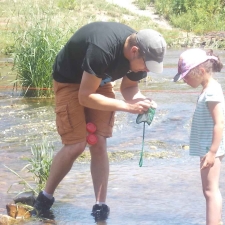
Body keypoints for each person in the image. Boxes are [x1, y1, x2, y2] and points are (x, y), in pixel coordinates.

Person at [31, 21, 166, 222]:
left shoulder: (139, 57)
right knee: (76, 144)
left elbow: (129, 89)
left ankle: (100, 207)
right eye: (147, 65)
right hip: (69, 80)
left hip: (99, 80)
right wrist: (128, 107)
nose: (146, 70)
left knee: (98, 140)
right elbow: (84, 96)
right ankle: (44, 199)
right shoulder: (103, 49)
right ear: (134, 51)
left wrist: (141, 101)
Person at [173, 48, 225, 225]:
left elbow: (219, 123)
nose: (184, 80)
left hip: (211, 147)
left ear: (201, 71)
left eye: (186, 76)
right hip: (208, 146)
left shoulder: (212, 91)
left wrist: (212, 152)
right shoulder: (209, 88)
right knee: (210, 189)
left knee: (210, 190)